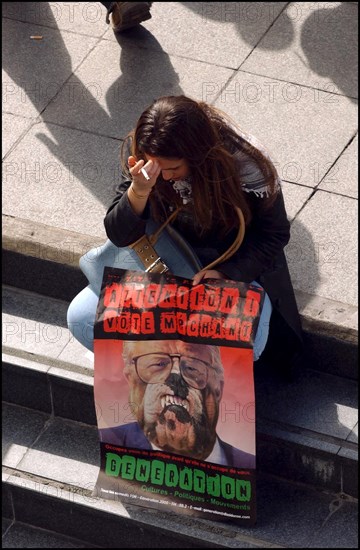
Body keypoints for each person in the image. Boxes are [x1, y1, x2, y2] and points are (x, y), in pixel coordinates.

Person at [102, 95, 303, 376]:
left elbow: (274, 233)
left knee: (236, 341)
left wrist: (227, 272)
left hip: (228, 263)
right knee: (81, 317)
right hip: (162, 260)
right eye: (157, 167)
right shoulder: (148, 160)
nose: (165, 177)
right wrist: (139, 189)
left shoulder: (247, 167)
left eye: (174, 169)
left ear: (198, 156)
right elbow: (119, 234)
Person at [99, 340, 256, 469]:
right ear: (130, 377)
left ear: (218, 388)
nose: (176, 375)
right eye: (158, 364)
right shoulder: (111, 441)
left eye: (192, 367)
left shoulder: (246, 464)